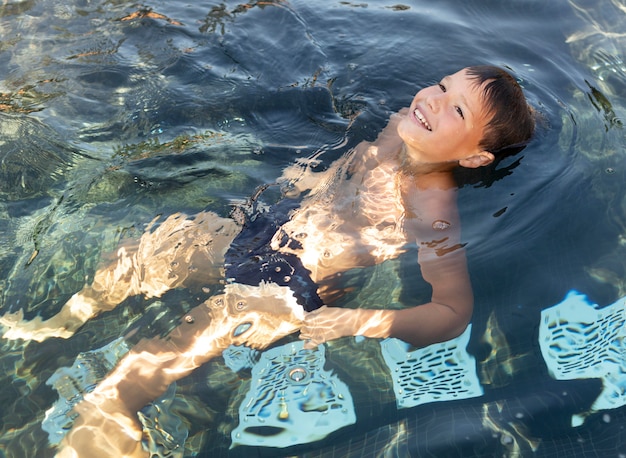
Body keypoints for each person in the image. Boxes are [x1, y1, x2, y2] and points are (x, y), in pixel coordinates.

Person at [7, 66, 535, 456]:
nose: (434, 102)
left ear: (475, 158)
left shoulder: (432, 203)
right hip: (264, 230)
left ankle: (107, 428)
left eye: (458, 110)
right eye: (443, 87)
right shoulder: (402, 125)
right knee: (139, 251)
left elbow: (452, 311)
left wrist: (357, 322)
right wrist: (295, 182)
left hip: (286, 286)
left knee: (142, 368)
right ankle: (62, 325)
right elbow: (336, 169)